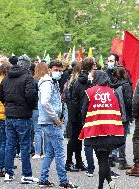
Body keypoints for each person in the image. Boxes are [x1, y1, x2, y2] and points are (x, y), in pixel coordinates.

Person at [0, 54, 39, 183]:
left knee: (10, 145)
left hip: (9, 116)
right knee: (25, 146)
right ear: (27, 65)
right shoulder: (28, 78)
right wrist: (29, 106)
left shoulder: (7, 77)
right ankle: (26, 175)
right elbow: (31, 96)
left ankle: (8, 173)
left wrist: (8, 104)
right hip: (23, 116)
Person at [79, 70, 124, 189]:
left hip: (95, 130)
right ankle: (110, 182)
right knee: (102, 158)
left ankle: (100, 187)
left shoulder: (90, 92)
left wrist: (85, 123)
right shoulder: (113, 92)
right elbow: (119, 110)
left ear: (96, 78)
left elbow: (83, 112)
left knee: (102, 159)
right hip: (111, 130)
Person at [38, 60, 77, 188]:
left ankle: (43, 179)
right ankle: (63, 181)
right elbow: (45, 102)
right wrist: (56, 118)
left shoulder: (51, 82)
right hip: (51, 123)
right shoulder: (48, 83)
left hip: (49, 122)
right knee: (60, 153)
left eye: (60, 70)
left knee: (50, 153)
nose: (59, 73)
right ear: (49, 70)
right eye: (56, 70)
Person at [66, 58, 95, 173]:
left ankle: (77, 161)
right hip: (82, 114)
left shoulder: (77, 80)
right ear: (92, 66)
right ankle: (69, 162)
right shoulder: (89, 82)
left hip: (76, 113)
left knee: (76, 138)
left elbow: (74, 99)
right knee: (75, 139)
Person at [0, 63, 12, 177]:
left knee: (0, 142)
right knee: (4, 142)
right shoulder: (4, 82)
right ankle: (0, 167)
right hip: (3, 114)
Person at [112, 66, 133, 170]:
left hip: (112, 115)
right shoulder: (126, 86)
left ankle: (111, 157)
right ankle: (122, 161)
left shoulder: (112, 85)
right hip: (123, 116)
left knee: (113, 136)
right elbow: (129, 102)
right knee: (122, 139)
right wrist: (132, 115)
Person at [31, 63, 49, 159]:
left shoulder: (33, 80)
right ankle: (46, 152)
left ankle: (37, 152)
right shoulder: (47, 81)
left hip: (35, 108)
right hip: (45, 108)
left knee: (37, 131)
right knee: (45, 131)